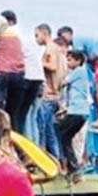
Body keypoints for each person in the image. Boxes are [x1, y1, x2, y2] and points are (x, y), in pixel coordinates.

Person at [57, 26, 98, 128]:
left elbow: (79, 61)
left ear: (69, 34)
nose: (62, 40)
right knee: (97, 85)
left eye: (63, 36)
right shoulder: (81, 43)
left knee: (97, 92)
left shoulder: (76, 43)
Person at [55, 50, 91, 174]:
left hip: (77, 112)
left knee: (57, 132)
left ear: (78, 61)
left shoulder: (79, 71)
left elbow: (62, 83)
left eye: (70, 60)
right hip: (79, 112)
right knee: (66, 138)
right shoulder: (82, 73)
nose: (67, 62)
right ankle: (73, 167)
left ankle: (63, 163)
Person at [0, 11, 28, 118]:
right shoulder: (19, 35)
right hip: (19, 75)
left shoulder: (0, 32)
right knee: (13, 114)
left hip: (2, 72)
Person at [34, 25, 65, 160]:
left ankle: (42, 160)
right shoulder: (59, 50)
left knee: (42, 129)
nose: (36, 39)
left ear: (44, 33)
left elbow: (52, 66)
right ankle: (55, 159)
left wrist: (37, 63)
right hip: (56, 95)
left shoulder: (50, 49)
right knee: (49, 130)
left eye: (37, 35)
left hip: (48, 95)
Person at [20, 19, 45, 137]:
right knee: (33, 117)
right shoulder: (34, 47)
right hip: (39, 81)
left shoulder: (20, 41)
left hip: (29, 78)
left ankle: (26, 144)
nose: (35, 38)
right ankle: (34, 146)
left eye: (37, 35)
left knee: (25, 115)